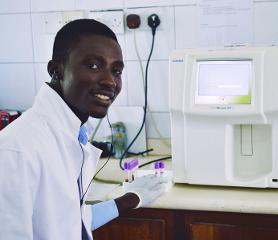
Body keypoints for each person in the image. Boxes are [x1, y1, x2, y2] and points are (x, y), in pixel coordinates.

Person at [0, 19, 168, 240]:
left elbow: (65, 221)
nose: (110, 81)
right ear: (56, 71)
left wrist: (130, 199)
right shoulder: (16, 150)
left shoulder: (69, 134)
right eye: (93, 65)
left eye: (116, 71)